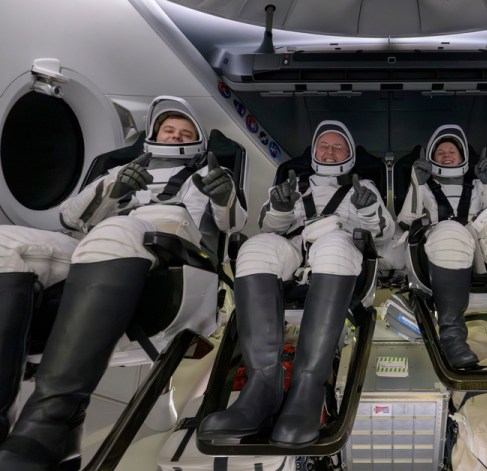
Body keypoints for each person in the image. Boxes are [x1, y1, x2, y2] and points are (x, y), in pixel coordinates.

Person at [0, 95, 246, 469]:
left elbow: (232, 224)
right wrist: (114, 188)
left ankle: (51, 427)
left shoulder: (209, 174)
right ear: (153, 134)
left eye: (185, 131)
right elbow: (70, 219)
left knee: (118, 228)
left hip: (174, 246)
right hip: (98, 247)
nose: (176, 135)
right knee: (7, 243)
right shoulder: (119, 170)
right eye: (168, 129)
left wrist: (224, 195)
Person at [197, 120, 394, 447]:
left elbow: (385, 232)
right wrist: (281, 208)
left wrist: (369, 210)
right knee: (254, 248)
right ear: (314, 152)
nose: (330, 152)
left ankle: (307, 387)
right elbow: (268, 226)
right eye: (324, 147)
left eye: (338, 147)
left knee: (333, 248)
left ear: (349, 154)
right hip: (292, 247)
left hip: (337, 246)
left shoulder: (365, 187)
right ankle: (262, 385)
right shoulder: (291, 184)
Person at [397, 124, 487, 369]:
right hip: (439, 248)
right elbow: (405, 222)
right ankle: (452, 338)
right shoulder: (424, 186)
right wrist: (416, 184)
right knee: (452, 232)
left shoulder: (478, 186)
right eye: (440, 152)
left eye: (451, 151)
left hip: (481, 247)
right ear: (431, 158)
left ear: (463, 156)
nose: (446, 155)